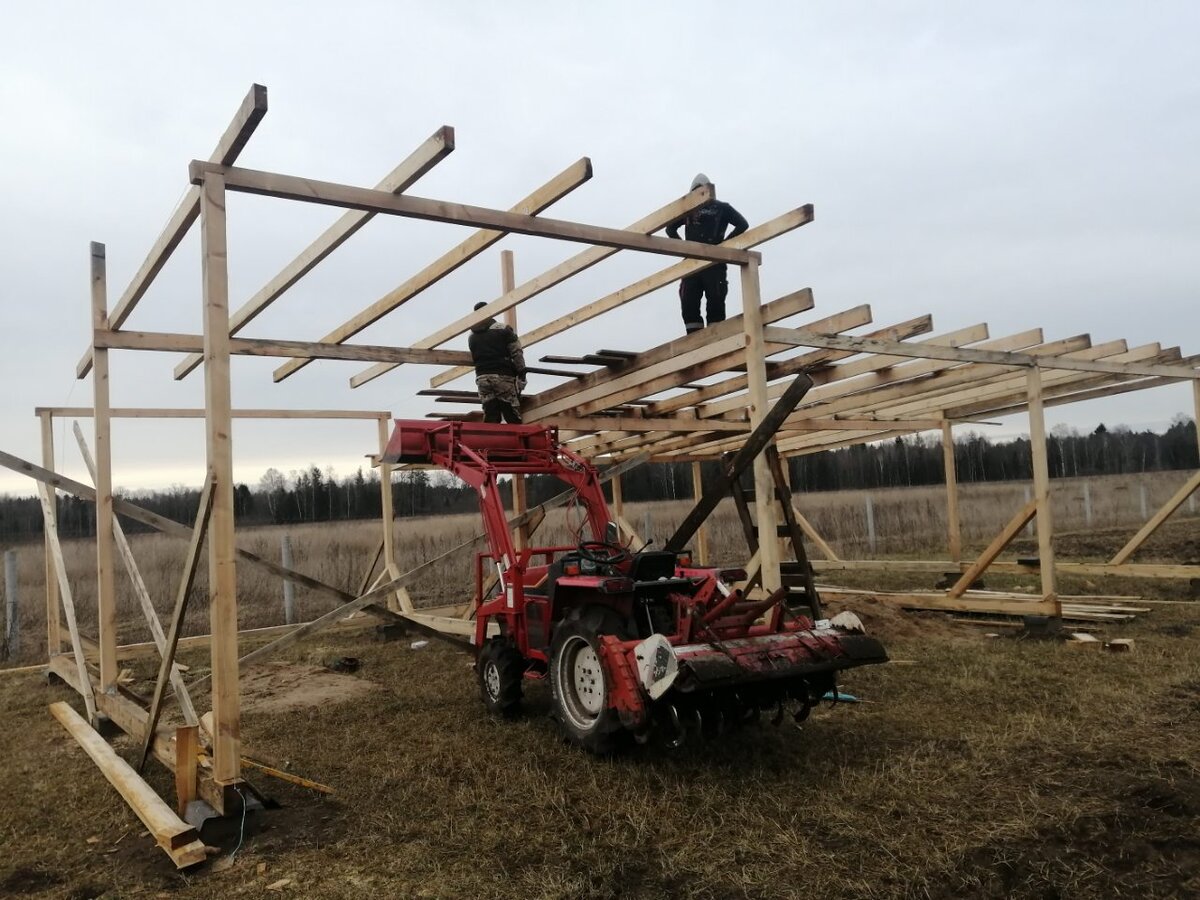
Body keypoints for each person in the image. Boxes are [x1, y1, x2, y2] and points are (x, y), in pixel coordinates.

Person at [665, 173, 749, 334]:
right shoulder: (688, 210)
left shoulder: (721, 207)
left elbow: (742, 224)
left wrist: (724, 245)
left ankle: (714, 339)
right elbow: (670, 228)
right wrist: (685, 248)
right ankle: (696, 340)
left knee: (714, 303)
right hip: (694, 263)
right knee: (691, 303)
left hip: (713, 262)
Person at [468, 301, 527, 423]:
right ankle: (516, 440)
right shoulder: (503, 330)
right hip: (503, 377)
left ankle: (492, 439)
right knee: (511, 414)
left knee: (491, 414)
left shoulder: (472, 336)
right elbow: (517, 353)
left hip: (482, 378)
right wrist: (522, 374)